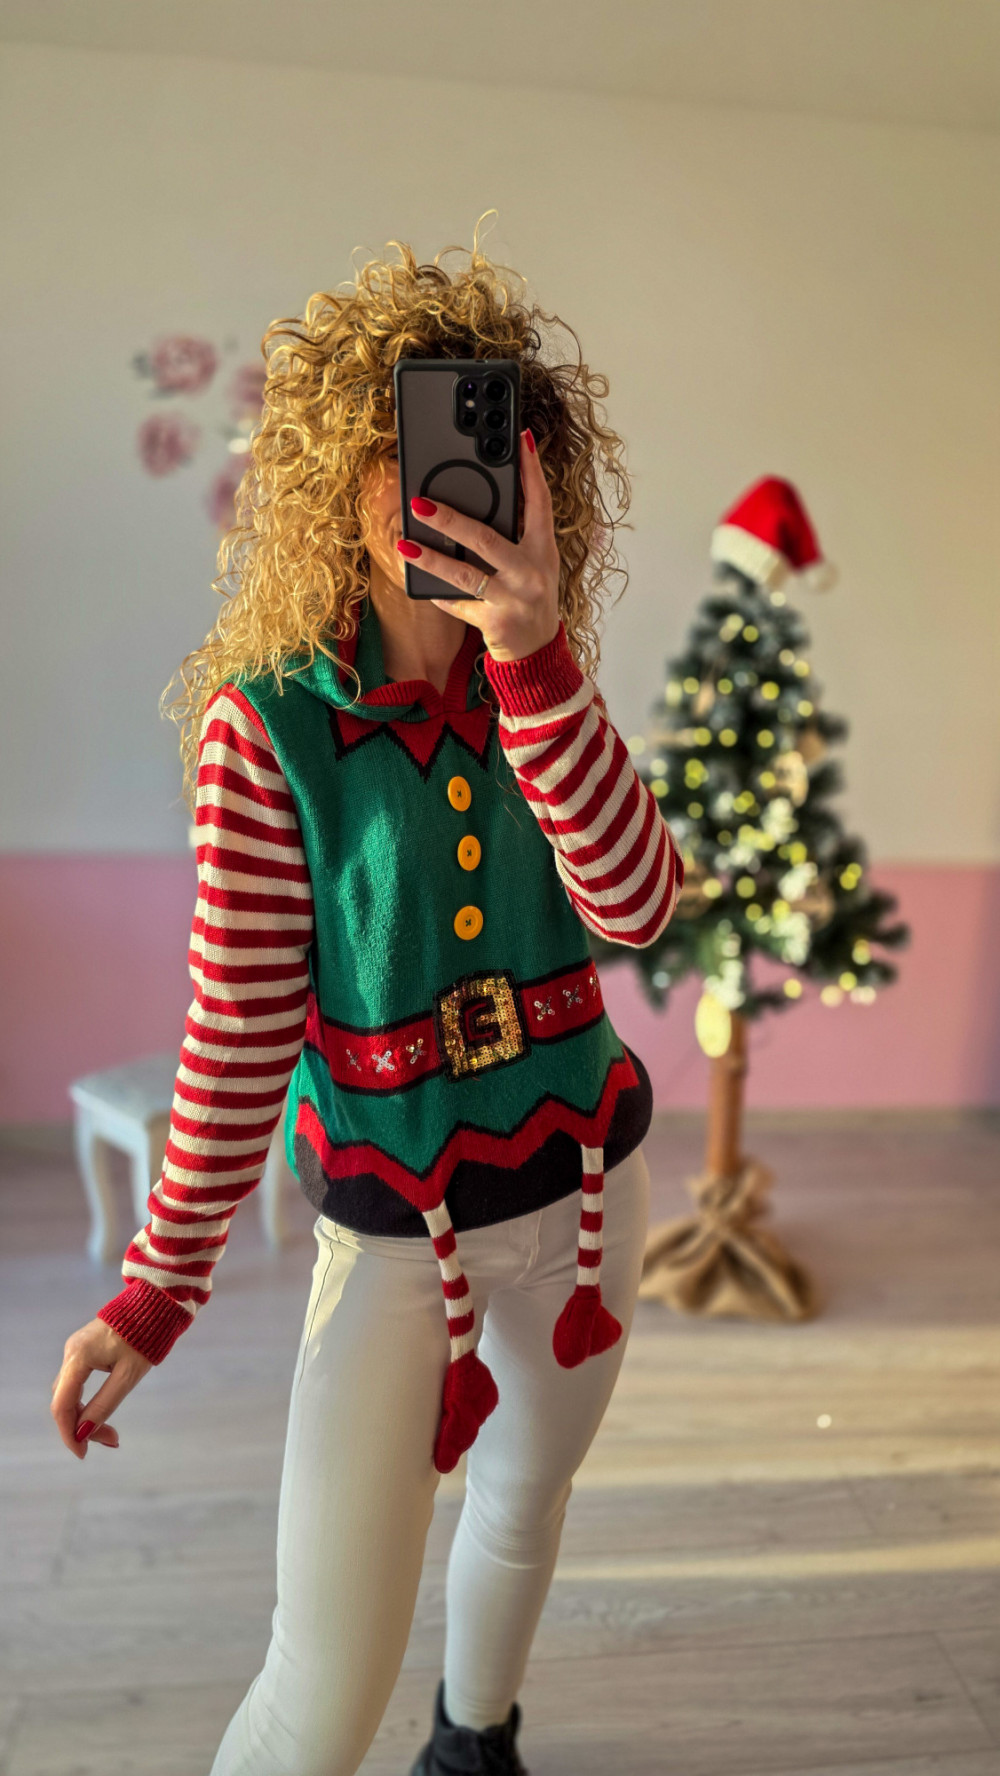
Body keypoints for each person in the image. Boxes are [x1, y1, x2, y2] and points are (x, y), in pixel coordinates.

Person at [50, 229, 685, 1776]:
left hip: (588, 1189)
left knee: (525, 1497)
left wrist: (534, 659)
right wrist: (157, 1287)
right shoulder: (264, 730)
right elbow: (239, 1035)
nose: (438, 493)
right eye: (405, 453)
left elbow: (638, 910)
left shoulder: (546, 688)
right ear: (341, 482)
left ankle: (476, 1746)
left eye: (480, 454)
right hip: (402, 1239)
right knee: (323, 1684)